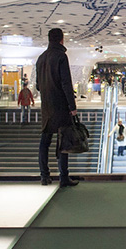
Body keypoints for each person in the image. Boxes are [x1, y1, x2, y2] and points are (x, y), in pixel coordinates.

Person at [35, 28, 79, 188]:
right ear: (62, 39)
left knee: (45, 141)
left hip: (46, 106)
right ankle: (63, 177)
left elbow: (38, 86)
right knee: (63, 141)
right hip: (60, 105)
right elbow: (66, 83)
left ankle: (44, 176)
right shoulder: (61, 56)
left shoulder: (41, 58)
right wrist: (72, 106)